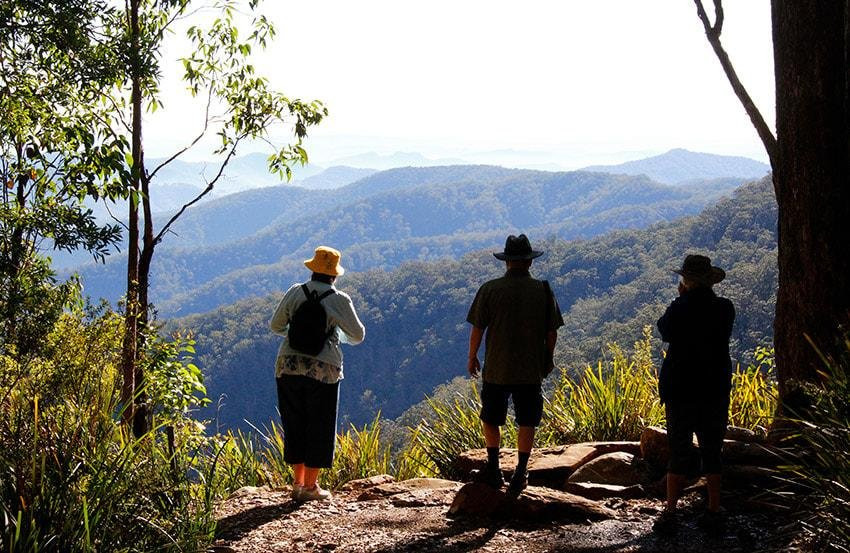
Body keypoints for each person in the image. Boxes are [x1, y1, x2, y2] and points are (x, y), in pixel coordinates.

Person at [466, 234, 564, 497]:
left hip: (497, 367)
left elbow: (478, 327)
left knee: (490, 417)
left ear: (507, 262)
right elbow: (551, 332)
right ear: (529, 263)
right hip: (529, 368)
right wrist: (548, 357)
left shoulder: (490, 289)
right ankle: (520, 472)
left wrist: (472, 355)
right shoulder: (542, 290)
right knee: (527, 419)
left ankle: (494, 468)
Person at [270, 246, 365, 502]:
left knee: (294, 421)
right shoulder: (339, 300)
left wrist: (296, 335)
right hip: (324, 369)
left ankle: (297, 483)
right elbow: (358, 335)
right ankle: (311, 488)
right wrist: (335, 334)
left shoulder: (294, 292)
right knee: (319, 424)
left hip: (287, 364)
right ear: (334, 275)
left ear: (312, 269)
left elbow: (276, 326)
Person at [654, 254, 735, 532]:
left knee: (679, 449)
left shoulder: (679, 308)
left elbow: (663, 330)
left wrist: (680, 300)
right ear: (710, 281)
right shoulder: (725, 308)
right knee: (713, 448)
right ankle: (714, 509)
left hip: (681, 389)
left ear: (686, 281)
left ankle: (670, 512)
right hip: (714, 388)